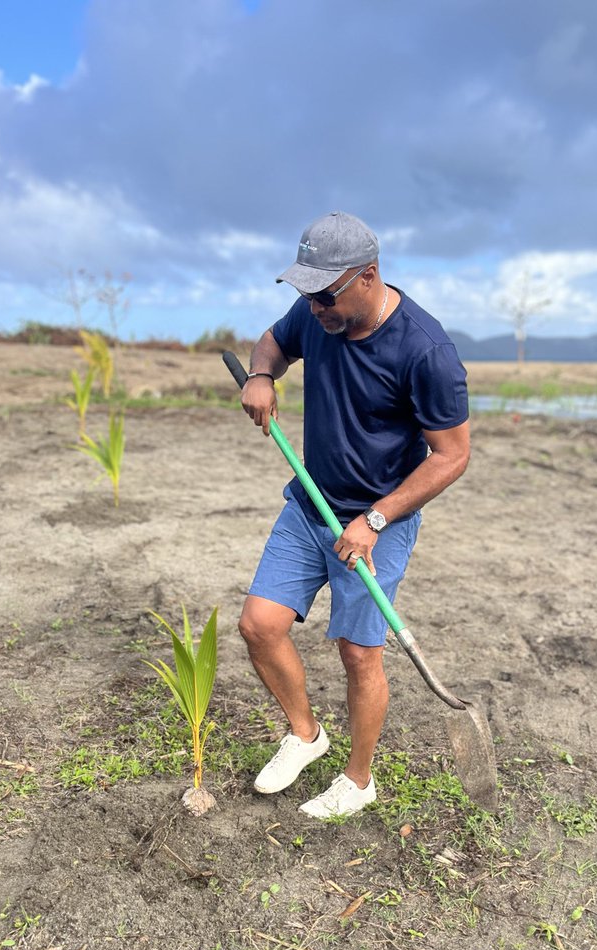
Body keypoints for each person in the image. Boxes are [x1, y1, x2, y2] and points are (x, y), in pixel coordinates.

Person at [238, 211, 470, 819]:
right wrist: (262, 375)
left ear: (368, 276)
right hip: (311, 501)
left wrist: (376, 520)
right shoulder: (317, 314)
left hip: (377, 520)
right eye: (306, 295)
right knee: (260, 625)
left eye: (325, 295)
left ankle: (358, 780)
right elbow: (273, 341)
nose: (314, 309)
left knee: (358, 653)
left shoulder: (426, 350)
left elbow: (452, 455)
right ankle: (306, 736)